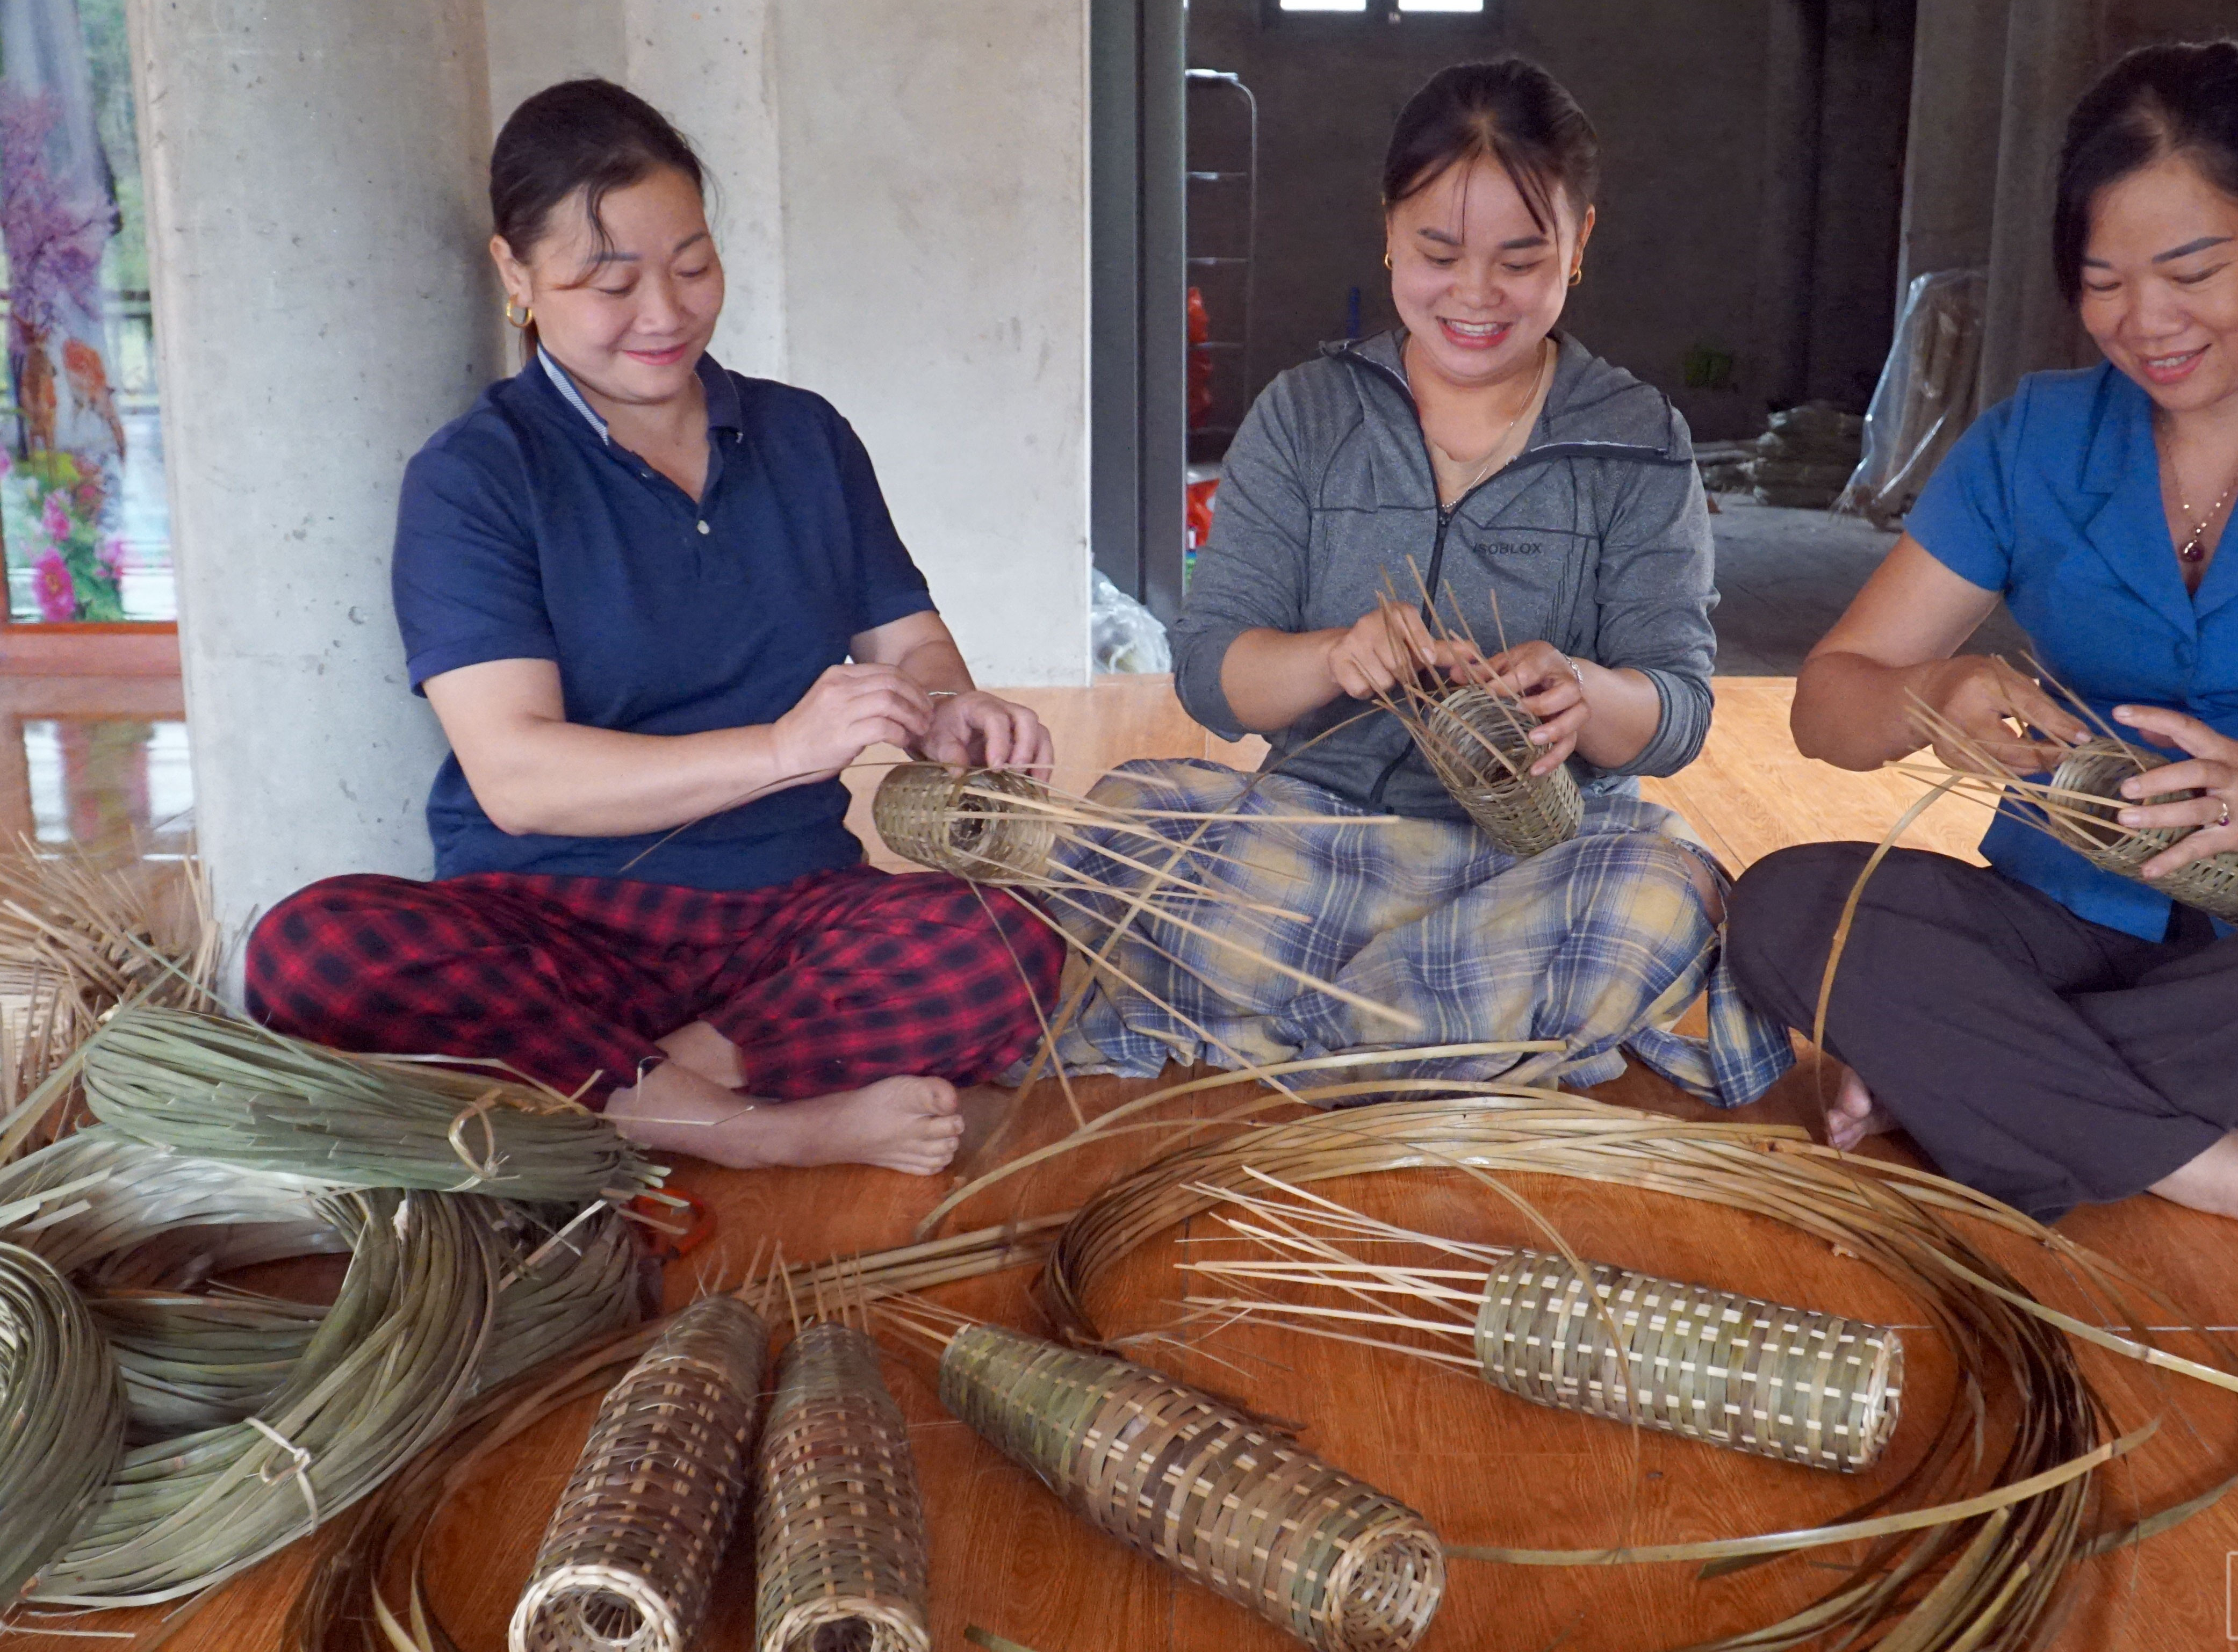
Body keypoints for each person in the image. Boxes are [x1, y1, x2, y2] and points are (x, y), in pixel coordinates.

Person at [1725, 40, 2238, 1278]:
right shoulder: (2036, 442)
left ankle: (1982, 1076)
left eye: (2191, 269)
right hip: (2053, 912)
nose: (2144, 322)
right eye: (2102, 278)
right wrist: (1936, 692)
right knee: (1788, 905)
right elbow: (1827, 707)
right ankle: (2218, 1161)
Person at [243, 80, 1061, 1177]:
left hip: (783, 911)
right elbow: (520, 778)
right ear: (515, 275)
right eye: (608, 279)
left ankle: (636, 1094)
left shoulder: (803, 438)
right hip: (547, 919)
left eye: (691, 264)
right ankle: (753, 1126)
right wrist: (781, 749)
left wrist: (955, 715)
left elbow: (910, 644)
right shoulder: (477, 477)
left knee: (1010, 939)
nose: (666, 312)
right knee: (312, 949)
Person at [1054, 57, 1790, 1101]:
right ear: (1388, 229)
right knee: (1121, 827)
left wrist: (1587, 694)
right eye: (1438, 251)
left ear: (1579, 244)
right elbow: (1211, 674)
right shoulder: (1307, 414)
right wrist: (1332, 654)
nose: (1475, 294)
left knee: (1669, 889)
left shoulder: (1634, 440)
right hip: (1317, 842)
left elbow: (1675, 709)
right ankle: (1434, 1046)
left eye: (1520, 258)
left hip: (1541, 865)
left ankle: (1292, 1041)